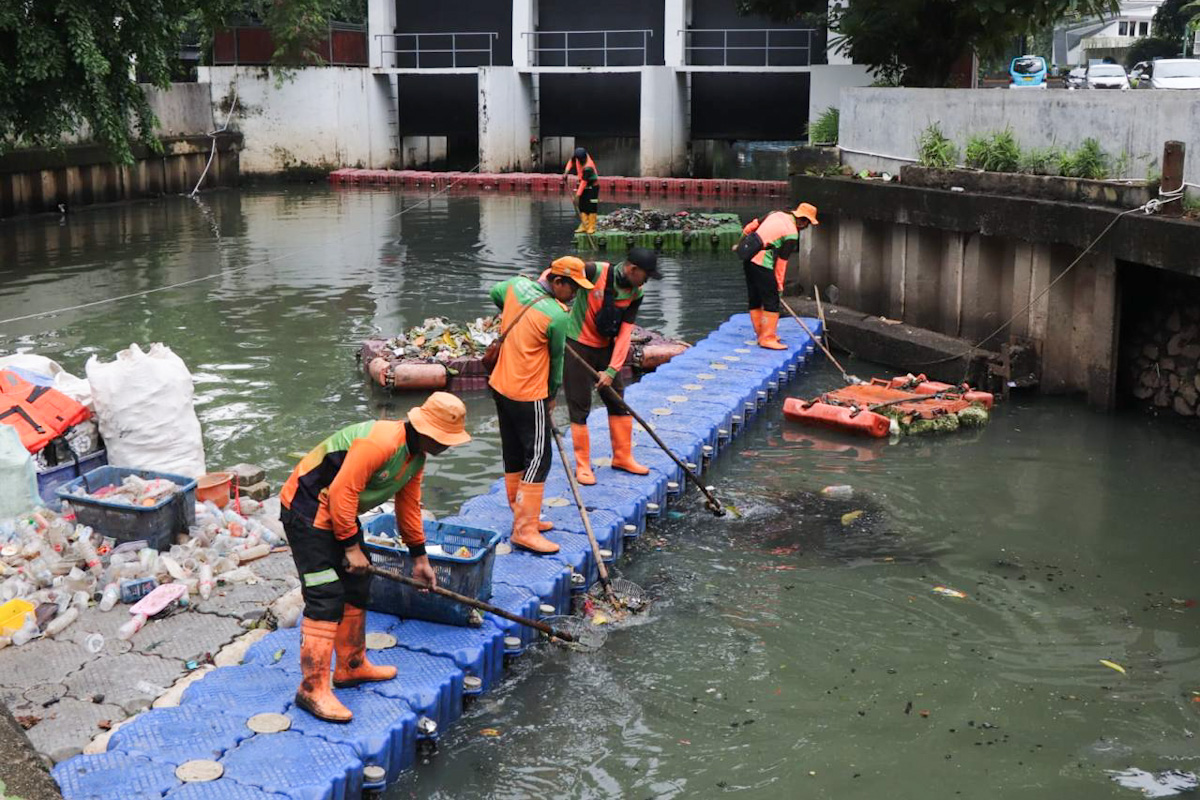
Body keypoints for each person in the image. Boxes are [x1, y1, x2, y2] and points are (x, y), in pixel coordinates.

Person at [279, 392, 472, 722]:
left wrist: (419, 558)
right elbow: (342, 492)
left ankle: (351, 665)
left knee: (359, 581)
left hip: (338, 512)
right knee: (325, 594)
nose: (447, 446)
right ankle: (311, 688)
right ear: (426, 430)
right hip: (307, 509)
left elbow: (408, 507)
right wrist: (350, 547)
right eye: (444, 439)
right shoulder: (381, 442)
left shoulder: (415, 457)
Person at [489, 257, 594, 555]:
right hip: (528, 392)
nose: (574, 295)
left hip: (500, 386)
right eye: (572, 288)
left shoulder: (516, 286)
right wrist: (551, 395)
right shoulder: (556, 315)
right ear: (557, 281)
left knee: (513, 452)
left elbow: (495, 293)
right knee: (539, 457)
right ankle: (525, 530)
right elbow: (557, 359)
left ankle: (520, 513)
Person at [554, 247, 661, 485]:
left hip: (606, 347)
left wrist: (612, 370)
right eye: (646, 275)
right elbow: (559, 272)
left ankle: (622, 457)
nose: (646, 281)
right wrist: (546, 293)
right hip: (578, 344)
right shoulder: (595, 271)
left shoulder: (637, 293)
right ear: (633, 269)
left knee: (617, 400)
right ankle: (583, 465)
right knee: (579, 404)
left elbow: (625, 334)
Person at [738, 202, 819, 350]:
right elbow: (782, 263)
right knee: (772, 300)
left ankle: (761, 333)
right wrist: (779, 286)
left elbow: (750, 227)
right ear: (803, 221)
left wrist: (740, 244)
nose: (806, 227)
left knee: (755, 298)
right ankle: (767, 338)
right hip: (762, 262)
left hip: (748, 258)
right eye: (808, 224)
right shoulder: (792, 234)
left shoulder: (775, 213)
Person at [562, 147, 597, 233]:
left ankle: (591, 226)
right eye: (580, 160)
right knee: (582, 206)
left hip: (592, 185)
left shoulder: (588, 166)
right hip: (582, 182)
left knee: (591, 206)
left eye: (582, 160)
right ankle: (584, 225)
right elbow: (571, 161)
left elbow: (584, 182)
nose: (581, 162)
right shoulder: (577, 157)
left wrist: (577, 196)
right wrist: (566, 172)